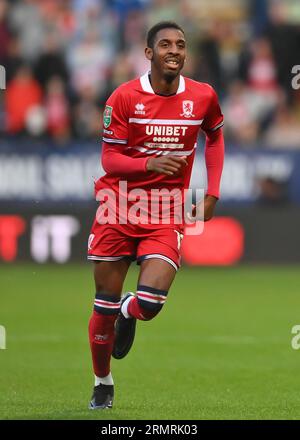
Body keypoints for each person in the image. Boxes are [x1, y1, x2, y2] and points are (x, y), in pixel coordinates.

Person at [87, 21, 225, 409]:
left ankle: (131, 309)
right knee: (102, 304)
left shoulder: (203, 96)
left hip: (166, 210)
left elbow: (214, 136)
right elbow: (109, 158)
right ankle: (103, 382)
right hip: (118, 206)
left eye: (180, 45)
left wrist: (212, 192)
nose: (174, 50)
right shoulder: (124, 97)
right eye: (165, 44)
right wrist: (149, 164)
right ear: (149, 53)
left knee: (150, 303)